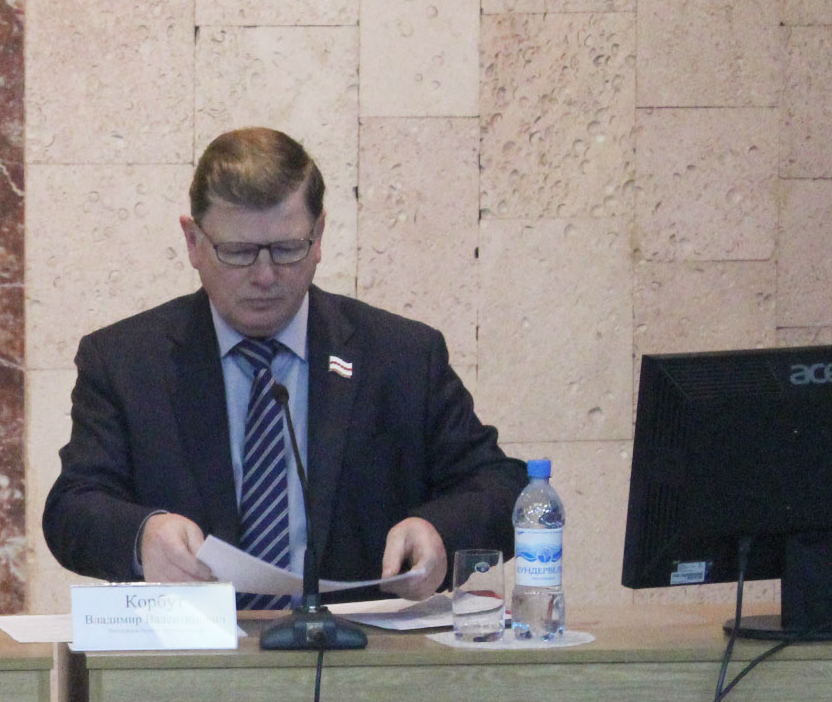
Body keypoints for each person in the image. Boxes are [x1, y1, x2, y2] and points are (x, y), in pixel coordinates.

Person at [41, 127, 523, 602]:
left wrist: (438, 533)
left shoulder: (401, 356)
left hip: (357, 645)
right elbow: (72, 509)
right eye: (237, 253)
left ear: (319, 236)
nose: (265, 276)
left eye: (288, 249)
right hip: (193, 648)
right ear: (192, 241)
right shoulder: (126, 361)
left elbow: (504, 490)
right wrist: (143, 534)